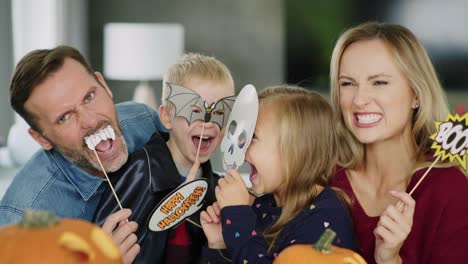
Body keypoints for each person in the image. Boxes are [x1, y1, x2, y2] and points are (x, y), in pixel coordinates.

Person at [329, 22, 468, 263]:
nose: (359, 99)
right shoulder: (321, 177)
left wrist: (390, 260)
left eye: (379, 82)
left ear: (416, 94)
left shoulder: (450, 192)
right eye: (347, 83)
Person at [0, 46, 165, 247]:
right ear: (41, 139)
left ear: (103, 85)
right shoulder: (22, 223)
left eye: (89, 97)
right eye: (65, 117)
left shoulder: (143, 120)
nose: (91, 120)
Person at [93, 53, 236, 263]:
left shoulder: (215, 188)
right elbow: (103, 237)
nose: (208, 123)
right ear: (167, 117)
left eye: (220, 113)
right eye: (195, 111)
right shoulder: (141, 171)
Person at [201, 85, 357, 263]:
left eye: (253, 138)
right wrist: (219, 243)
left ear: (296, 152)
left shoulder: (326, 219)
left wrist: (238, 216)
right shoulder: (264, 206)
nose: (241, 150)